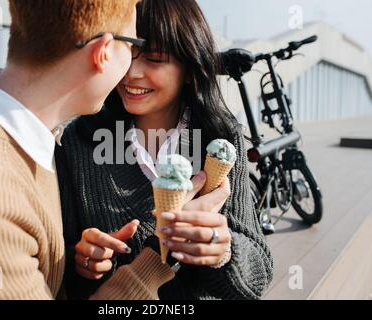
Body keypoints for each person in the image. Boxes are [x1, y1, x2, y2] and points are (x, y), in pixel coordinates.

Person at [0, 0, 174, 300]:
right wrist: (161, 255)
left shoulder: (28, 141)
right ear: (103, 53)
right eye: (132, 47)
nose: (133, 67)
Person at [56, 0, 274, 300]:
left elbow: (258, 275)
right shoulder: (79, 140)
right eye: (128, 54)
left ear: (188, 68)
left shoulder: (219, 138)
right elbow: (59, 266)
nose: (132, 73)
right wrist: (82, 261)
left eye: (155, 59)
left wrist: (223, 252)